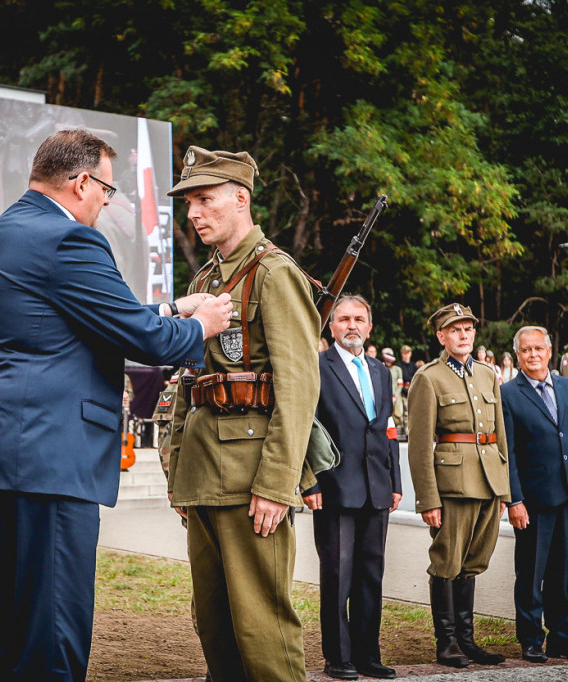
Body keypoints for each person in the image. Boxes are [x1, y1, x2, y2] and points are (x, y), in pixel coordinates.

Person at [0, 130, 232, 681]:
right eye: (106, 189)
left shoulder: (1, 231)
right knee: (52, 634)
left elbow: (68, 313)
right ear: (80, 183)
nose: (106, 200)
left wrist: (169, 305)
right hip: (46, 462)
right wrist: (199, 325)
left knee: (3, 631)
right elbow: (143, 339)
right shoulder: (71, 239)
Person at [166, 146, 320, 682]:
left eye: (204, 200)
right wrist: (176, 469)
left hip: (253, 478)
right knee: (214, 625)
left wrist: (278, 485)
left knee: (263, 632)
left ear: (240, 199)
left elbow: (299, 387)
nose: (194, 213)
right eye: (189, 202)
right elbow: (190, 384)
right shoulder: (204, 282)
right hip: (204, 476)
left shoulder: (275, 274)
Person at [407, 303, 509, 668]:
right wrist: (427, 499)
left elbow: (500, 437)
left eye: (468, 329)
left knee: (472, 562)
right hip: (452, 485)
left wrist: (505, 491)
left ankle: (467, 640)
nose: (463, 335)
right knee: (447, 562)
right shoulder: (428, 377)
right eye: (455, 330)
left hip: (487, 481)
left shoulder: (487, 374)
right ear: (441, 336)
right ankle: (446, 642)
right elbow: (420, 446)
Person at [304, 296, 401, 680]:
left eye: (359, 319)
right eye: (343, 319)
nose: (352, 325)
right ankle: (338, 657)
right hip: (333, 489)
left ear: (370, 326)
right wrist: (309, 481)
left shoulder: (381, 371)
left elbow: (388, 430)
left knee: (370, 575)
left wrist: (394, 481)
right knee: (338, 576)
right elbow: (305, 427)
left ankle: (368, 655)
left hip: (377, 487)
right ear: (331, 326)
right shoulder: (317, 368)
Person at [501, 326, 568, 663]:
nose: (533, 354)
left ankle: (561, 636)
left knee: (561, 572)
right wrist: (514, 500)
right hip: (532, 501)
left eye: (538, 348)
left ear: (549, 350)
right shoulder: (508, 394)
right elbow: (509, 453)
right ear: (518, 355)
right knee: (530, 574)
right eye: (526, 350)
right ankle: (531, 639)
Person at [382, 347, 405, 425]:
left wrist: (395, 396)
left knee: (397, 416)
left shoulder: (397, 369)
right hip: (384, 396)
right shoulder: (381, 368)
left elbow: (400, 384)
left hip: (395, 396)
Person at [399, 344, 418, 439]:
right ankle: (405, 429)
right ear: (402, 354)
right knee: (403, 411)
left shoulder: (413, 366)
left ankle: (411, 429)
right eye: (404, 353)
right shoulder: (399, 366)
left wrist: (410, 385)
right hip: (402, 392)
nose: (406, 355)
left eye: (408, 353)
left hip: (412, 391)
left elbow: (417, 378)